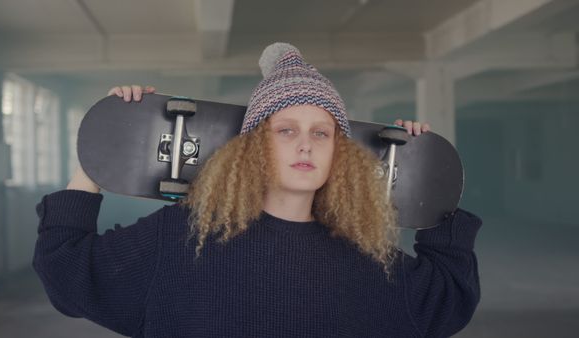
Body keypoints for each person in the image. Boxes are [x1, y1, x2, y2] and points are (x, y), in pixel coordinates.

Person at [33, 43, 481, 338]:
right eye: (285, 131)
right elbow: (69, 272)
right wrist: (101, 149)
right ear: (253, 149)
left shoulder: (367, 254)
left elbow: (447, 299)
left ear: (340, 155)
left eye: (322, 134)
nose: (306, 143)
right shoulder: (186, 235)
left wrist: (428, 173)